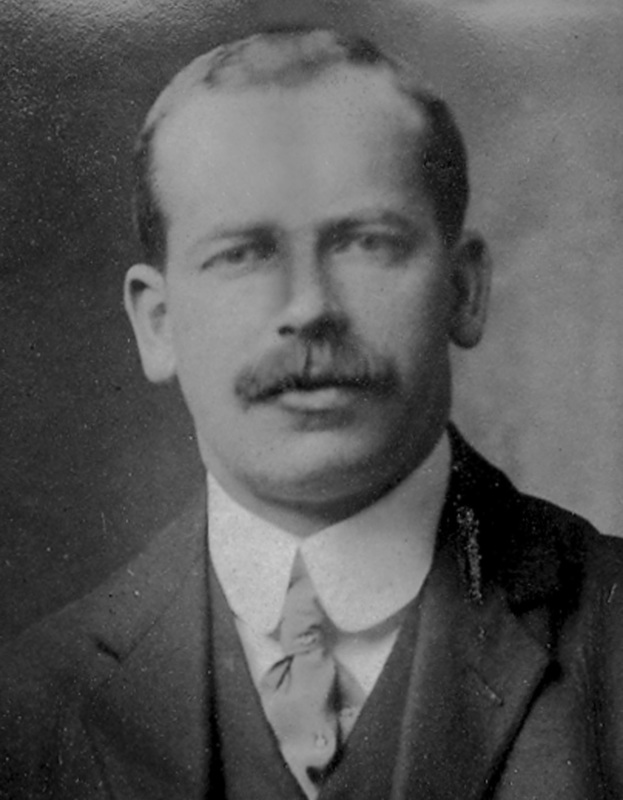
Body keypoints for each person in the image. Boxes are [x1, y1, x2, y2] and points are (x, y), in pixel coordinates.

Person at [2, 27, 623, 800]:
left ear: (463, 291)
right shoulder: (29, 706)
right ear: (157, 325)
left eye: (365, 242)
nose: (307, 307)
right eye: (241, 254)